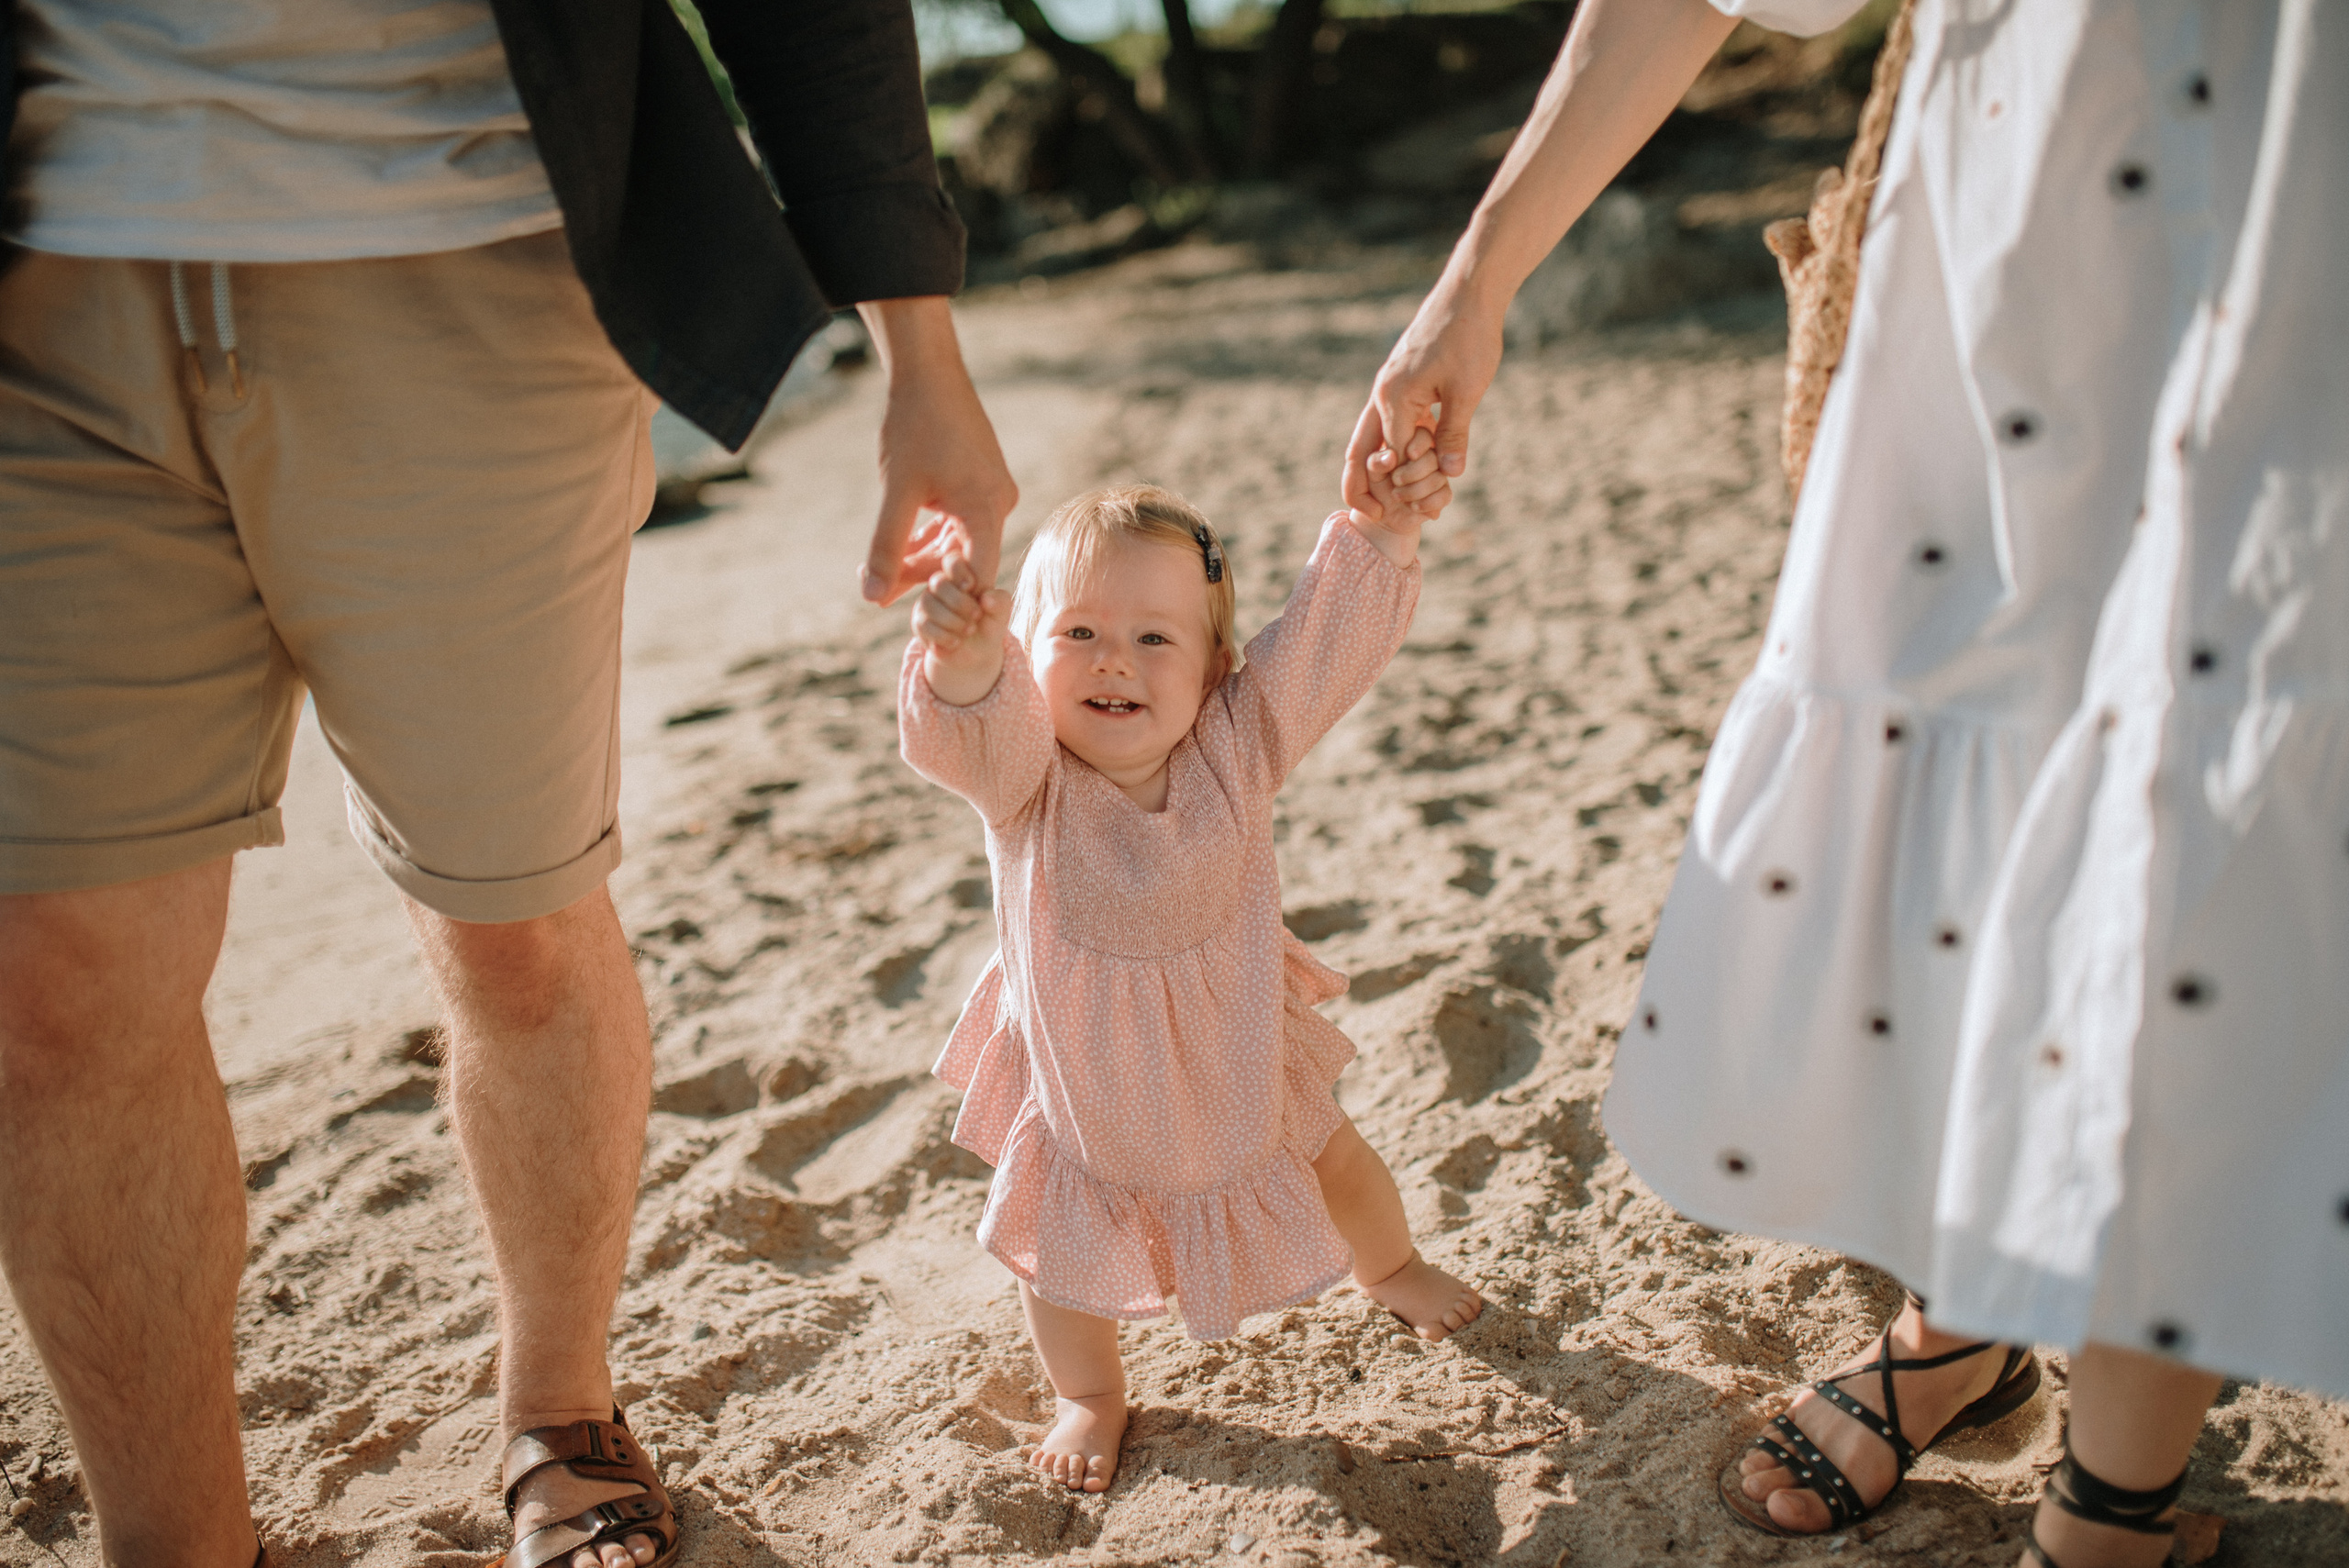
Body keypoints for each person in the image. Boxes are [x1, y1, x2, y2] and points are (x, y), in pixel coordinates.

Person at [0, 2, 1015, 1566]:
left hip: (468, 251)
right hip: (44, 288)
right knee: (54, 980)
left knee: (514, 924)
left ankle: (559, 1406)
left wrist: (918, 353)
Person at [1343, 1, 2346, 1564]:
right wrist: (1477, 282)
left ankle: (2112, 1497)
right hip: (2032, 218)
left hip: (2308, 198)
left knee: (2229, 788)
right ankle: (1963, 1323)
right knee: (1996, 769)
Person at [895, 457, 1481, 1495]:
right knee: (1057, 1250)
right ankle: (1091, 1393)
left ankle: (1390, 1267)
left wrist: (1384, 532)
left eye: (1154, 638)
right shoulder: (1026, 779)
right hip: (1089, 1094)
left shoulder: (1238, 742)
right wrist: (963, 660)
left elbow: (1323, 644)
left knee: (1340, 1164)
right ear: (1027, 655)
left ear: (1215, 666)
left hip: (1240, 1054)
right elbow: (963, 730)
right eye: (1078, 631)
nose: (1113, 661)